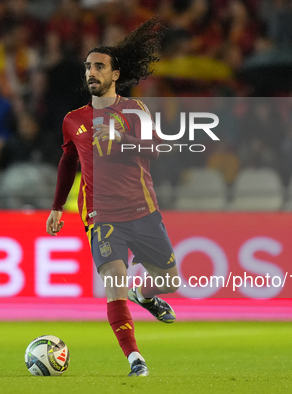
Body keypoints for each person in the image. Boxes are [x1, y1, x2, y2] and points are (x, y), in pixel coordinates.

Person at [45, 17, 179, 377]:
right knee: (115, 283)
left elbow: (155, 149)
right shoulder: (74, 119)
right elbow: (67, 162)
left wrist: (123, 143)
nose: (91, 72)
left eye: (99, 66)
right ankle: (135, 359)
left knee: (170, 280)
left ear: (115, 74)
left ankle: (147, 295)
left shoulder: (135, 111)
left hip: (142, 210)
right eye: (88, 66)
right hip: (102, 216)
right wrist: (58, 206)